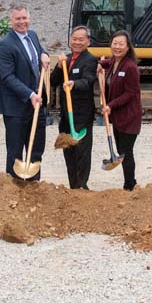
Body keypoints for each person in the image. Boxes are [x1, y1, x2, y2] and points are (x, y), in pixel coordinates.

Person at [0, 5, 51, 180]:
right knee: (15, 151)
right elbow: (7, 77)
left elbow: (38, 53)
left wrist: (44, 54)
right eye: (18, 19)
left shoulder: (32, 35)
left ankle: (34, 185)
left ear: (29, 18)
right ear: (11, 21)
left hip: (36, 103)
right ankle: (14, 186)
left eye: (24, 18)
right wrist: (29, 94)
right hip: (16, 107)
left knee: (36, 149)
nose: (22, 22)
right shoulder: (4, 45)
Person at [51, 25, 98, 190]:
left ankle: (82, 185)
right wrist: (58, 66)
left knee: (82, 152)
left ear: (88, 42)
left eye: (81, 39)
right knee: (68, 151)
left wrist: (74, 84)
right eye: (74, 39)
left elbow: (88, 80)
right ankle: (73, 187)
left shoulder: (90, 60)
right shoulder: (66, 59)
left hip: (81, 114)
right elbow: (53, 81)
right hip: (65, 114)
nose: (77, 42)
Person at [100, 29, 141, 190]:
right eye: (115, 43)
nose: (117, 47)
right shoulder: (114, 62)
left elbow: (130, 94)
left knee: (126, 152)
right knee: (121, 150)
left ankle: (130, 184)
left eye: (121, 44)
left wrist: (110, 105)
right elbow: (107, 63)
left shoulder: (130, 66)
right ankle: (129, 183)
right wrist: (99, 64)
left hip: (129, 116)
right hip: (118, 116)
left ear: (128, 47)